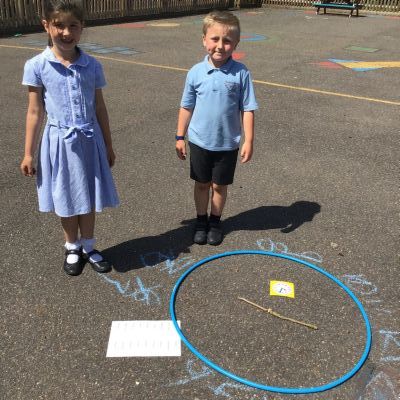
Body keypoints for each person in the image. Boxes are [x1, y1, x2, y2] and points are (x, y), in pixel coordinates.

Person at [20, 0, 119, 276]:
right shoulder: (37, 65)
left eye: (73, 25)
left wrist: (108, 145)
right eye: (59, 25)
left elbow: (100, 107)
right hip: (59, 143)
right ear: (46, 26)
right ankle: (72, 246)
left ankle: (88, 245)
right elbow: (34, 111)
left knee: (87, 193)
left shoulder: (92, 65)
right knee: (65, 194)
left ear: (82, 27)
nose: (66, 32)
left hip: (90, 140)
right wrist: (28, 153)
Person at [175, 10, 258, 245]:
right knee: (202, 184)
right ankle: (201, 221)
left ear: (236, 43)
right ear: (204, 40)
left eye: (227, 40)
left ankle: (215, 221)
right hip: (200, 141)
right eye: (214, 39)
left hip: (227, 144)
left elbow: (248, 108)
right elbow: (186, 106)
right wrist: (180, 136)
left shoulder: (241, 73)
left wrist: (249, 140)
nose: (220, 46)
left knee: (219, 186)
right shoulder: (195, 72)